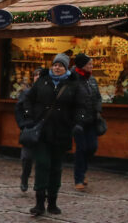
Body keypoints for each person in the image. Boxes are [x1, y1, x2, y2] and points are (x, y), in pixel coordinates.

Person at [22, 53, 86, 216]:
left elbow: (81, 106)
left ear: (66, 68)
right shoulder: (42, 81)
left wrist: (79, 122)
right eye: (55, 65)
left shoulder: (73, 84)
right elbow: (27, 100)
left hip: (62, 131)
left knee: (56, 168)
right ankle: (39, 202)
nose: (57, 68)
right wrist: (29, 117)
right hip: (42, 131)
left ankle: (52, 201)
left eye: (61, 65)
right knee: (42, 164)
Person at [72, 52, 102, 191]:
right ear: (82, 65)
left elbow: (98, 97)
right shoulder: (73, 79)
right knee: (81, 148)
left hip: (92, 119)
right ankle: (79, 177)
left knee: (92, 147)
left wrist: (98, 110)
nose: (92, 66)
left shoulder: (92, 80)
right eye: (89, 64)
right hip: (78, 120)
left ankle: (82, 170)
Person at [16, 67, 43, 192]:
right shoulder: (26, 93)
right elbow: (18, 110)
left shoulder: (49, 94)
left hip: (43, 128)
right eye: (36, 75)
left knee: (42, 158)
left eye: (40, 75)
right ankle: (24, 177)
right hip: (29, 128)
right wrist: (23, 124)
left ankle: (39, 183)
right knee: (27, 157)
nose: (38, 77)